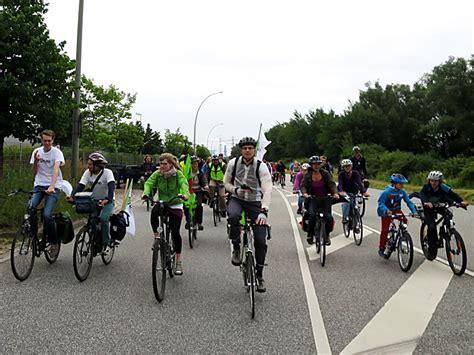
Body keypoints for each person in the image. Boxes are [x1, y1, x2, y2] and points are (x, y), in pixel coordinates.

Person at [224, 137, 272, 293]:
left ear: (254, 149)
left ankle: (259, 275)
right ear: (241, 150)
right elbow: (226, 183)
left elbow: (267, 189)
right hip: (237, 198)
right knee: (233, 216)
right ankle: (236, 247)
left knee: (260, 240)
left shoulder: (261, 166)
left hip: (255, 202)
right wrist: (235, 190)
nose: (247, 150)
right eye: (245, 148)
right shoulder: (233, 163)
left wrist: (264, 210)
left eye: (250, 148)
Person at [142, 153, 189, 275]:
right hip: (163, 202)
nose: (162, 166)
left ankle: (178, 261)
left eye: (165, 164)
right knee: (153, 213)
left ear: (171, 164)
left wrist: (185, 194)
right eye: (160, 163)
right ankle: (157, 236)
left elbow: (184, 184)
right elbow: (148, 183)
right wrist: (145, 193)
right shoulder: (157, 174)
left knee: (175, 232)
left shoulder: (178, 174)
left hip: (175, 203)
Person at [68, 152, 116, 252]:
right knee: (92, 220)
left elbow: (111, 186)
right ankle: (95, 240)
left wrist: (108, 199)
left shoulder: (107, 173)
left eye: (90, 164)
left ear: (97, 166)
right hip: (93, 200)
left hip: (107, 200)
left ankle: (106, 243)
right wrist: (73, 198)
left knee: (103, 218)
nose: (88, 166)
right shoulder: (87, 173)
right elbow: (81, 186)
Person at [29, 129, 65, 256]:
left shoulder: (57, 153)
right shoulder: (36, 152)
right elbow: (34, 173)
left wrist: (52, 185)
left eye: (49, 141)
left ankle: (53, 242)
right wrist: (36, 161)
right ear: (41, 140)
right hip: (39, 184)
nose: (47, 143)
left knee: (47, 215)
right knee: (31, 208)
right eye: (44, 140)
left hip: (53, 186)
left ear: (53, 141)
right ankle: (33, 237)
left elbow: (56, 169)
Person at [419, 170, 468, 259]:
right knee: (432, 226)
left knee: (448, 214)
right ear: (429, 180)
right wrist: (426, 202)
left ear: (440, 181)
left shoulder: (443, 187)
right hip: (429, 207)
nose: (433, 183)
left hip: (439, 205)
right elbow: (422, 195)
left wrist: (461, 202)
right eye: (431, 180)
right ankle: (431, 246)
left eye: (436, 181)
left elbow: (453, 195)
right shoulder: (426, 187)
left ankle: (445, 231)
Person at [301, 156, 339, 246]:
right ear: (311, 165)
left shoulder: (325, 173)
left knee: (328, 217)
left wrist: (335, 193)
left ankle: (327, 235)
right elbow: (303, 186)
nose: (316, 166)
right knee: (312, 216)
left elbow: (332, 184)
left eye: (318, 164)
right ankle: (310, 234)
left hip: (325, 199)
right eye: (314, 164)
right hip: (312, 199)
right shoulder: (308, 175)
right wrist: (305, 193)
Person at [377, 173, 418, 257]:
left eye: (403, 184)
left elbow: (408, 202)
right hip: (386, 211)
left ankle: (402, 235)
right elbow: (380, 203)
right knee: (385, 230)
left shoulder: (402, 192)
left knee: (404, 221)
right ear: (394, 184)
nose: (402, 186)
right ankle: (381, 247)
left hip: (396, 209)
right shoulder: (387, 192)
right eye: (400, 184)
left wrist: (414, 211)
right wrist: (386, 210)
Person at [184, 155, 209, 231]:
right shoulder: (186, 173)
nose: (194, 165)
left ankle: (199, 223)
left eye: (196, 163)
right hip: (188, 192)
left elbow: (204, 181)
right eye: (192, 163)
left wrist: (206, 186)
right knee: (186, 207)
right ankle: (188, 221)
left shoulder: (200, 173)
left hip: (198, 191)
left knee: (199, 206)